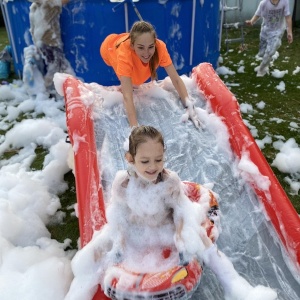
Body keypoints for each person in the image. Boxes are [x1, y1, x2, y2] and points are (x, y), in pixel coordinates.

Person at [66, 125, 277, 300]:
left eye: (158, 159)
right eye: (145, 161)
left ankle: (234, 283)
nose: (153, 167)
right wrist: (118, 245)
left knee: (202, 241)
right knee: (97, 249)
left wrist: (182, 240)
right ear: (130, 158)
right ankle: (79, 288)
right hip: (138, 230)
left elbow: (180, 216)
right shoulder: (122, 184)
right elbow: (119, 218)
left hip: (166, 228)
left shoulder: (169, 183)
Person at [100, 21, 201, 129]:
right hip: (109, 48)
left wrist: (188, 105)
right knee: (132, 83)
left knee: (136, 80)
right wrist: (134, 128)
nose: (147, 53)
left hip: (132, 41)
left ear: (155, 43)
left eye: (150, 47)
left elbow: (175, 79)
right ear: (132, 46)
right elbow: (127, 96)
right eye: (141, 48)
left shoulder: (160, 47)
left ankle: (139, 40)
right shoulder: (124, 55)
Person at [28, 0, 75, 90]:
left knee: (56, 66)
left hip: (41, 41)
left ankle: (53, 89)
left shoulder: (35, 6)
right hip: (50, 43)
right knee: (56, 67)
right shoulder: (49, 2)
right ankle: (46, 89)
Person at [245, 0, 293, 77]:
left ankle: (261, 69)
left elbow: (287, 17)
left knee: (270, 52)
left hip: (278, 31)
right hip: (265, 31)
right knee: (261, 54)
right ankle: (267, 61)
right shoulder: (264, 3)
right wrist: (251, 22)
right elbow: (257, 14)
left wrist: (289, 32)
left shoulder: (284, 2)